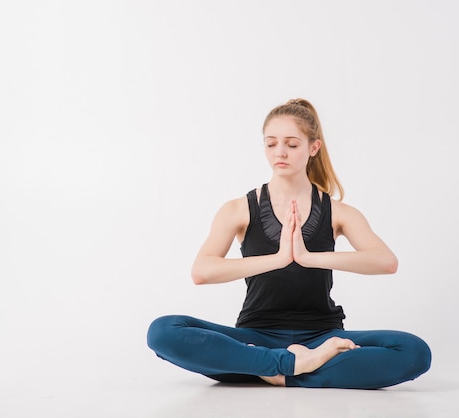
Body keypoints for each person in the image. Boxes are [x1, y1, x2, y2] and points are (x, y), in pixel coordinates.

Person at [147, 98, 431, 389]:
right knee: (162, 331)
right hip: (255, 336)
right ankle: (294, 365)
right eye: (271, 144)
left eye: (292, 144)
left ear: (313, 148)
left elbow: (386, 262)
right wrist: (279, 259)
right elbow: (202, 271)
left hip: (320, 337)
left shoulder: (339, 213)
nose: (279, 152)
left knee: (414, 351)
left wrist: (309, 257)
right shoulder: (238, 209)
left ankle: (266, 368)